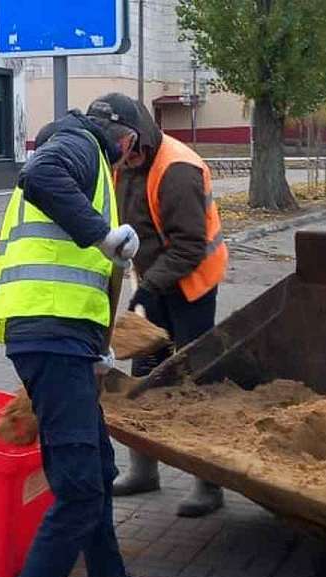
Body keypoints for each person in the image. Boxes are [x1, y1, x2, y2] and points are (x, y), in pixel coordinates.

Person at [0, 104, 188, 577]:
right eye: (134, 152)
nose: (130, 164)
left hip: (63, 336)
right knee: (78, 492)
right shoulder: (77, 143)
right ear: (125, 139)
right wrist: (102, 233)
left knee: (97, 467)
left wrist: (97, 347)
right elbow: (40, 179)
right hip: (49, 333)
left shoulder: (84, 151)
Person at [100, 93, 229, 518]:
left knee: (192, 377)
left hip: (192, 282)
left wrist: (150, 287)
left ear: (141, 137)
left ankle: (208, 484)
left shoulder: (177, 169)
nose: (124, 156)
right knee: (144, 370)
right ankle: (143, 468)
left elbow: (190, 245)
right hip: (153, 280)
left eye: (128, 147)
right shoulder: (123, 163)